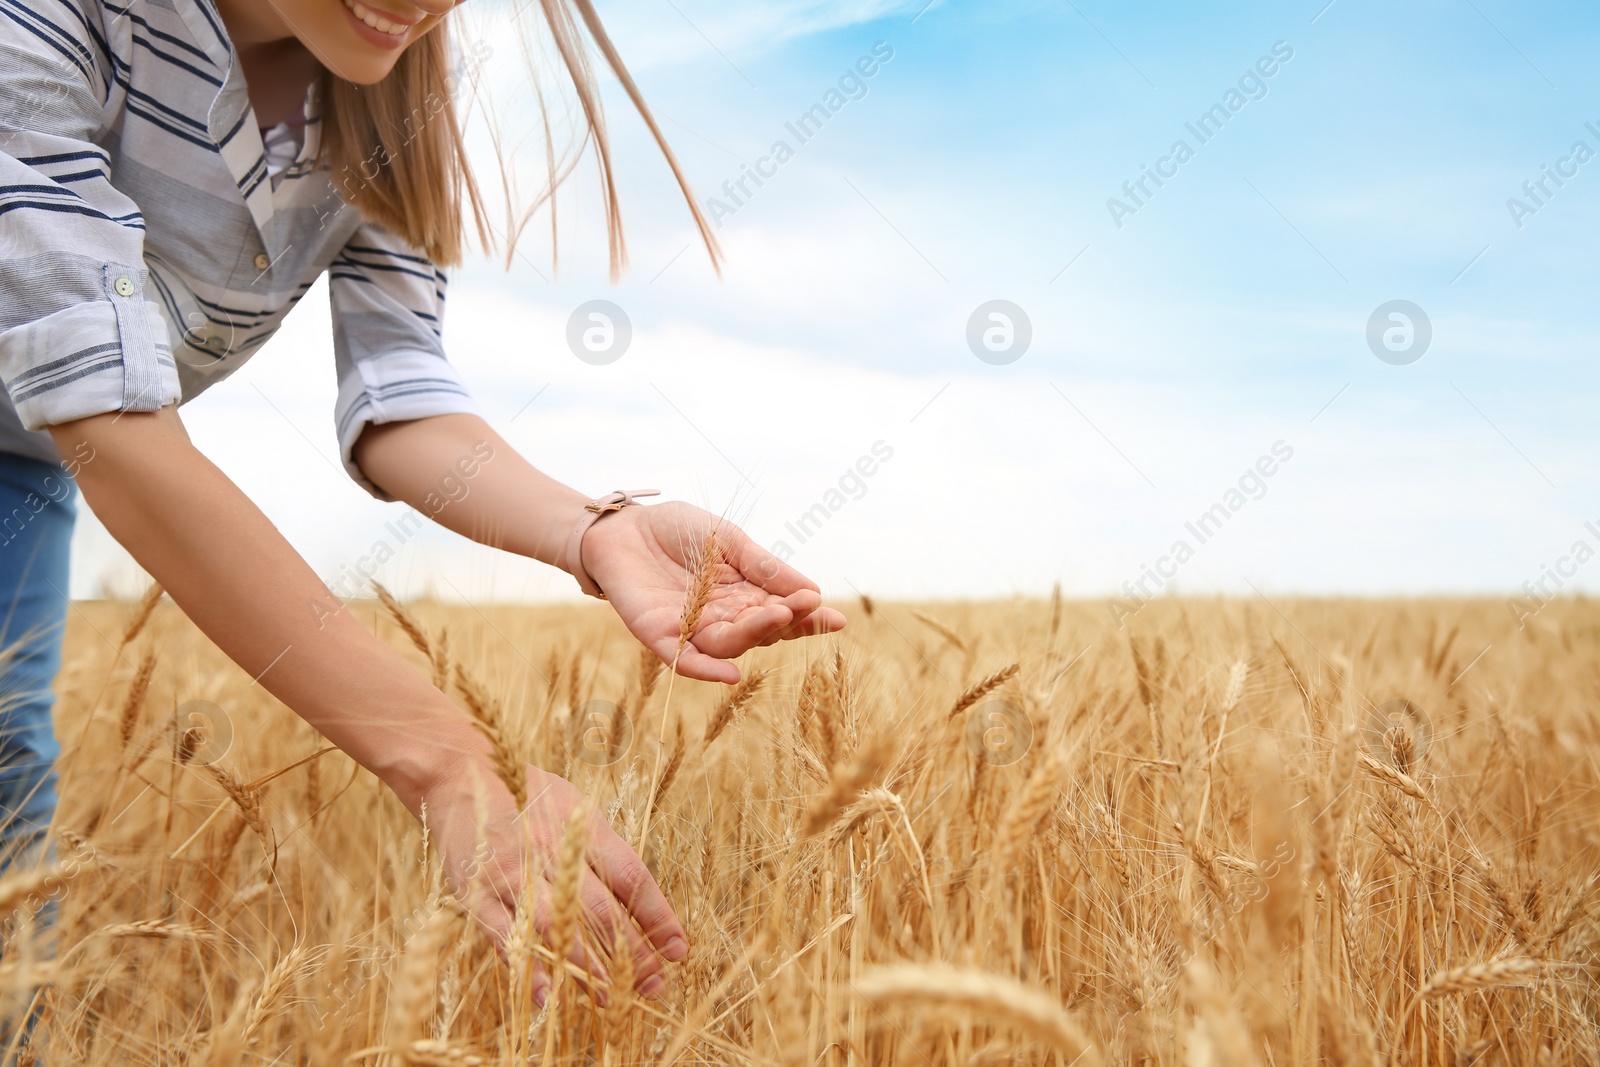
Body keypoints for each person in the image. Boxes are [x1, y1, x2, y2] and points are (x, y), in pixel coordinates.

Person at [0, 0, 844, 1005]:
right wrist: (449, 763)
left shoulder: (385, 96)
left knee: (8, 764)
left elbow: (403, 397)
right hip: (67, 433)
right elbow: (111, 420)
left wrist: (593, 527)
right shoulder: (49, 19)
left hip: (23, 456)